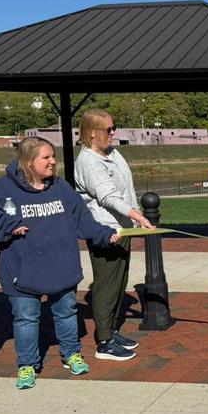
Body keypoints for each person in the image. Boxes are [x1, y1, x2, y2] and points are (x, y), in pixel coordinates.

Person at [0, 137, 119, 389]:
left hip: (61, 266)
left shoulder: (61, 188)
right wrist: (9, 226)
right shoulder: (4, 188)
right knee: (26, 319)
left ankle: (71, 354)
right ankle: (27, 365)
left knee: (66, 312)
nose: (53, 161)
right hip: (22, 270)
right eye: (46, 157)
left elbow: (83, 219)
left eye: (53, 156)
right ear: (29, 161)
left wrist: (105, 234)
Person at [74, 108, 154, 362]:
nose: (113, 133)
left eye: (114, 127)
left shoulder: (112, 153)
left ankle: (112, 330)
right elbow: (108, 196)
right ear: (92, 132)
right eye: (108, 129)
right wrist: (138, 216)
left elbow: (126, 190)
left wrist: (133, 215)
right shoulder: (88, 161)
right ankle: (104, 341)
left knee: (119, 281)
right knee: (107, 284)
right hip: (105, 231)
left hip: (123, 227)